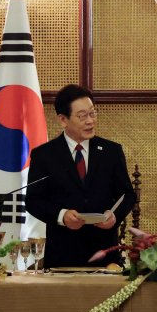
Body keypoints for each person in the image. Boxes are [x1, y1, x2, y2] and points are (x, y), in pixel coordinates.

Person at [26, 84, 136, 268]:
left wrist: (114, 215)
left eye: (93, 113)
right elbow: (33, 200)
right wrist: (62, 215)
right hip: (62, 255)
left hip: (105, 255)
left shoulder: (111, 152)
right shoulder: (44, 155)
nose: (90, 121)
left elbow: (127, 195)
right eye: (82, 116)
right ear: (63, 119)